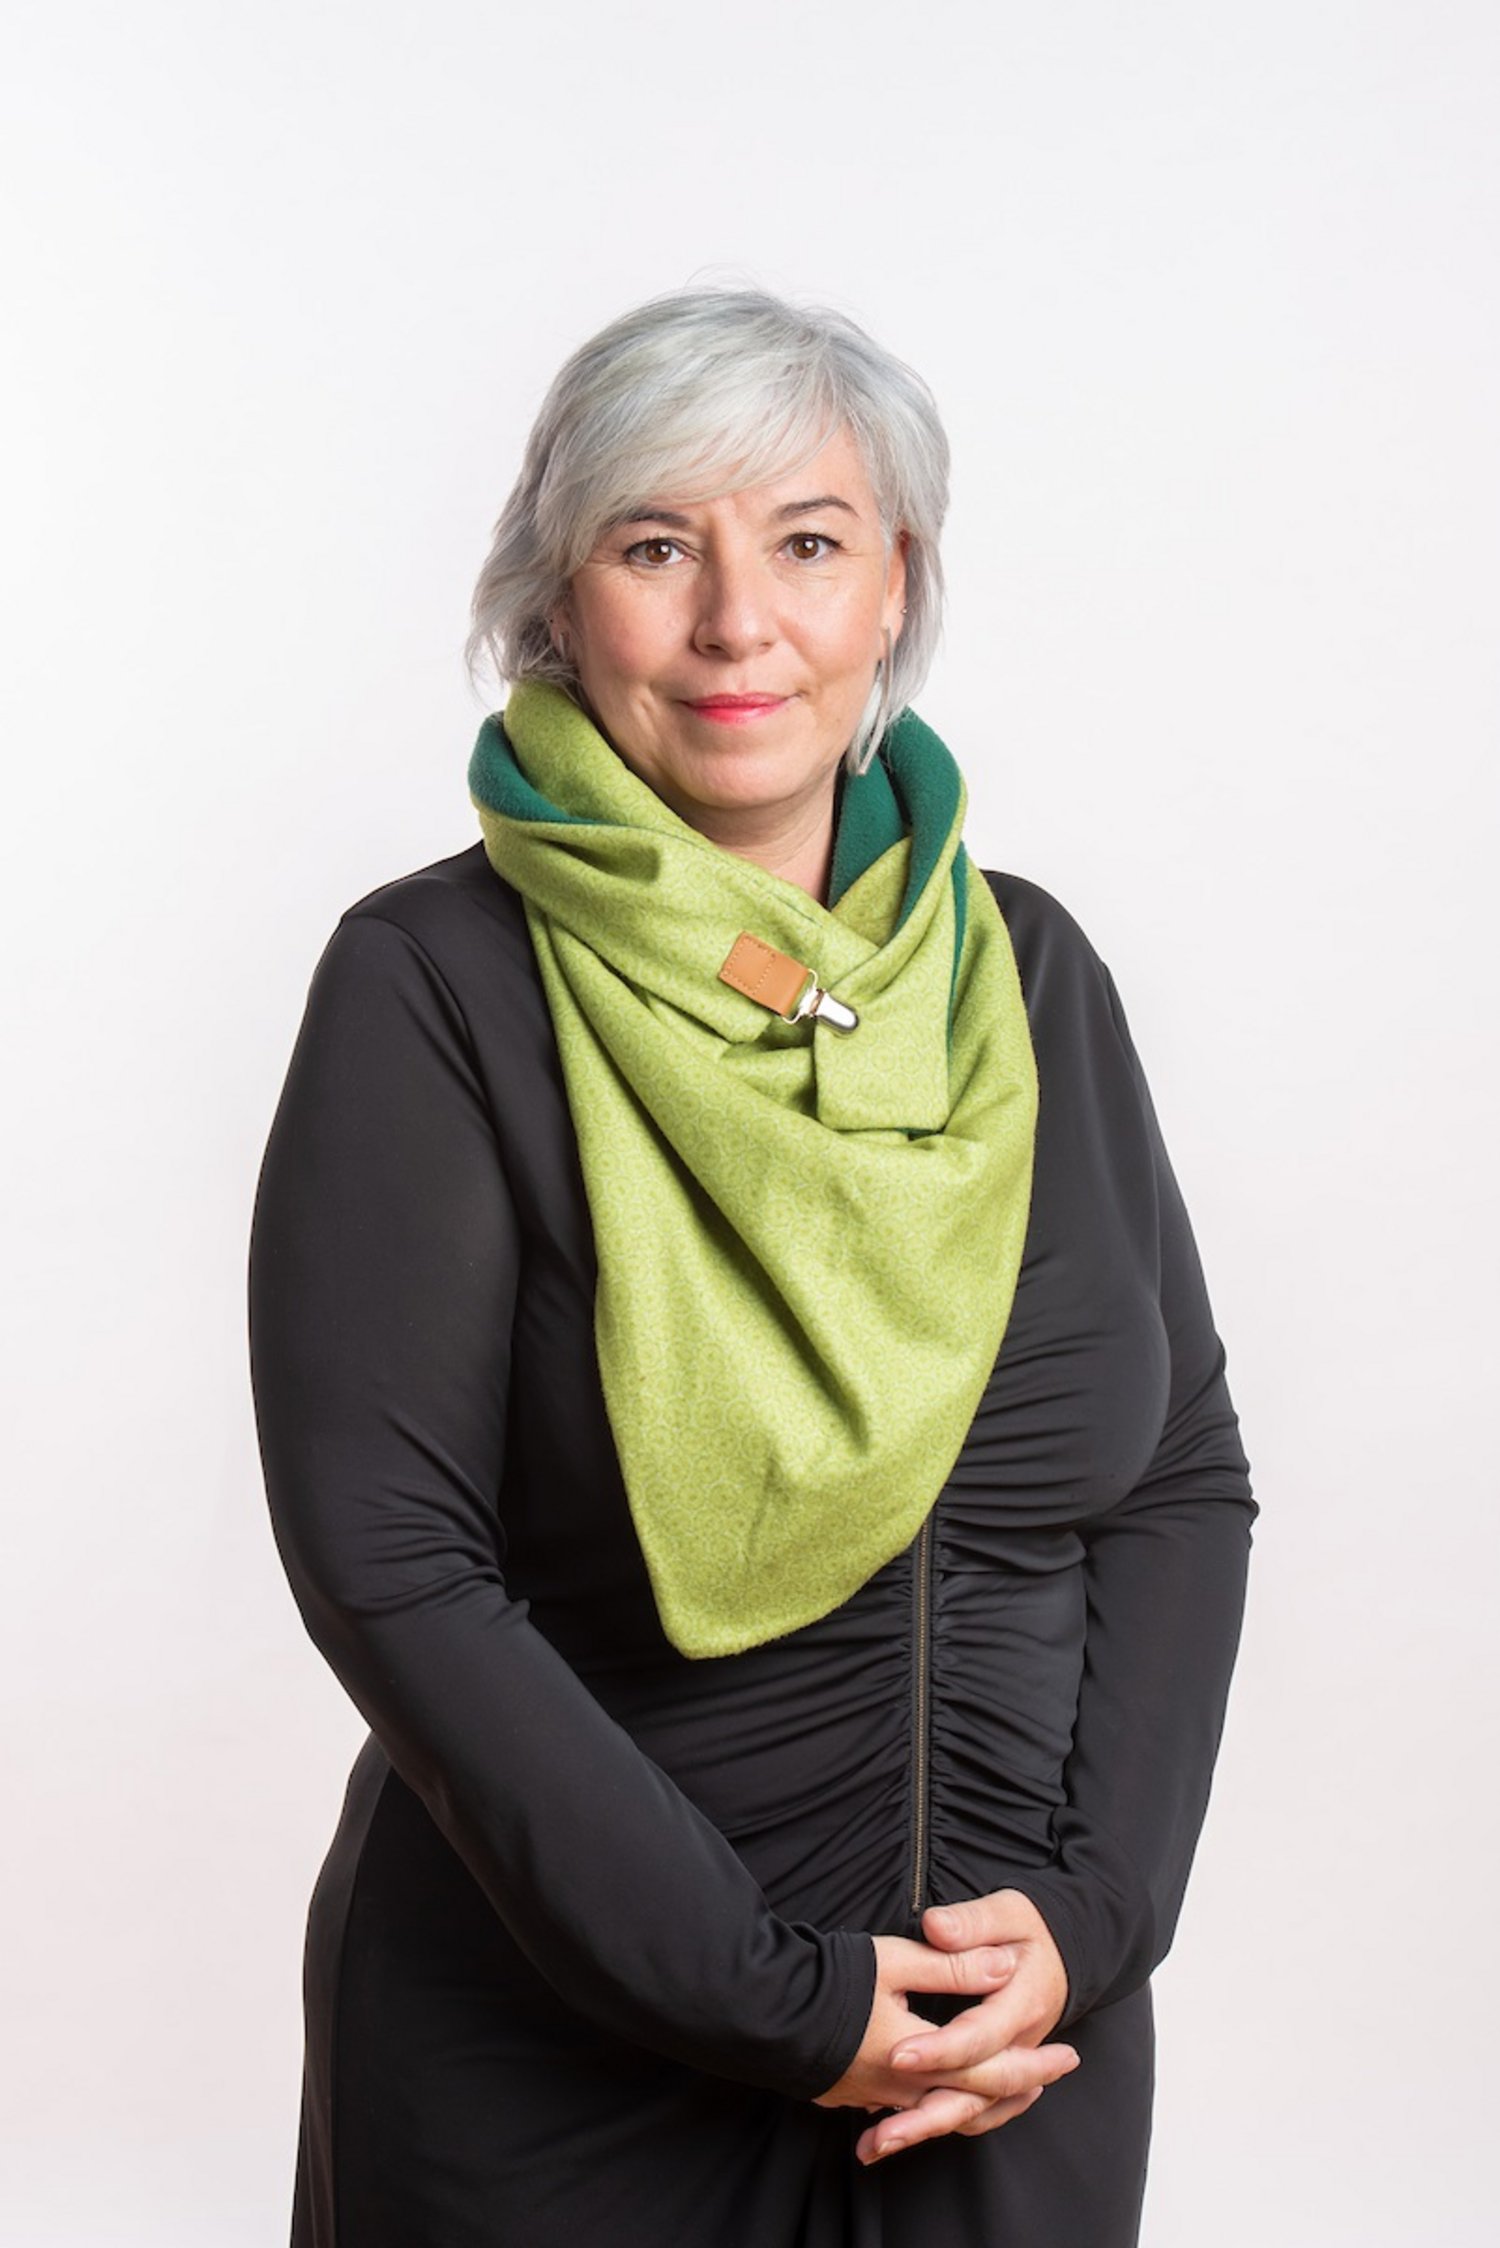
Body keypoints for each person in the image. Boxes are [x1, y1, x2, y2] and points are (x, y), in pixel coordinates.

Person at [247, 285, 1256, 2248]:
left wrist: (1094, 1922)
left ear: (896, 587)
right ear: (559, 601)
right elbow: (393, 1559)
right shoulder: (436, 985)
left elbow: (1177, 1481)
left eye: (806, 542)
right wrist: (773, 1995)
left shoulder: (1024, 978)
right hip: (563, 2074)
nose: (736, 624)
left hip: (1002, 2065)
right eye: (655, 548)